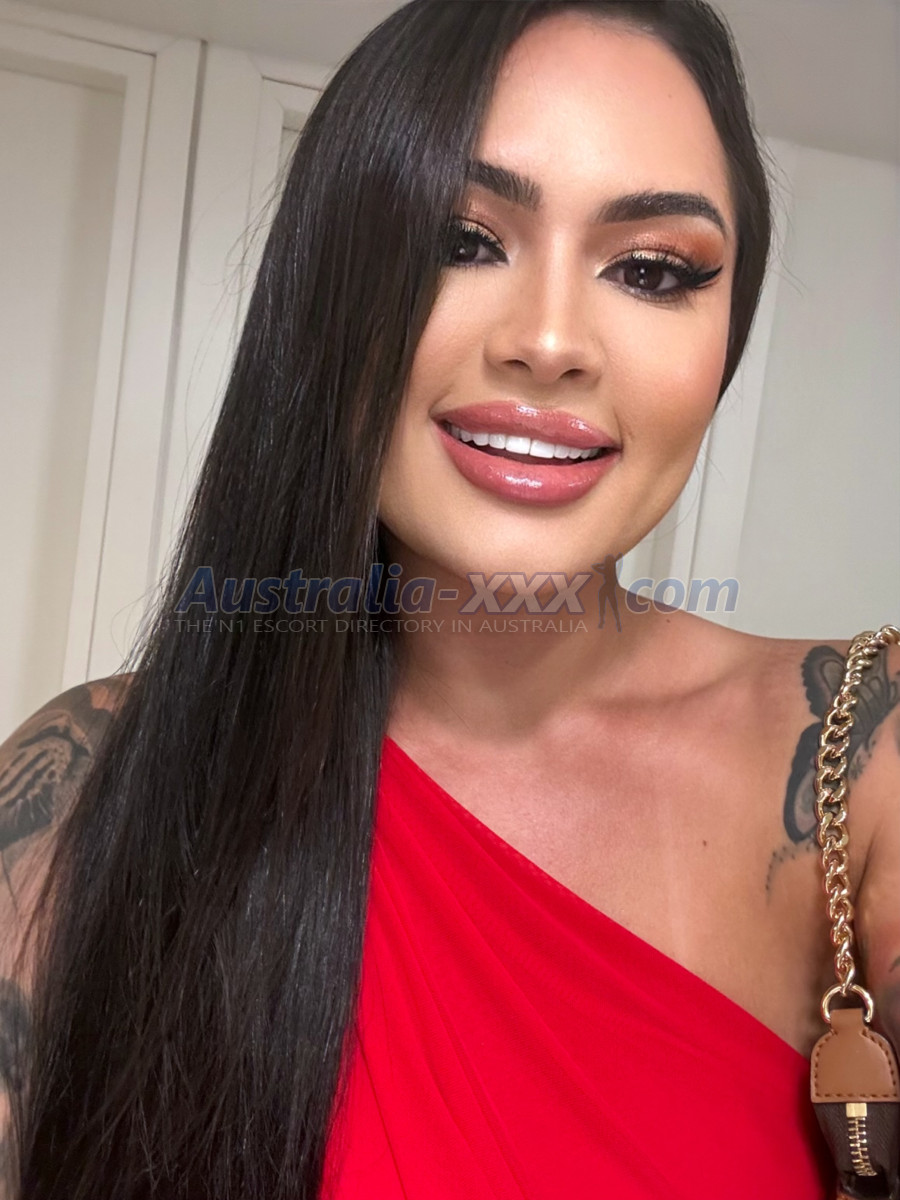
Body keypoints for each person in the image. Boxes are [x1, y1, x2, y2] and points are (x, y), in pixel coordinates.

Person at [0, 1, 897, 1196]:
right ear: (326, 293)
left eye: (650, 270)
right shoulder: (86, 782)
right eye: (459, 241)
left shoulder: (861, 756)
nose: (550, 340)